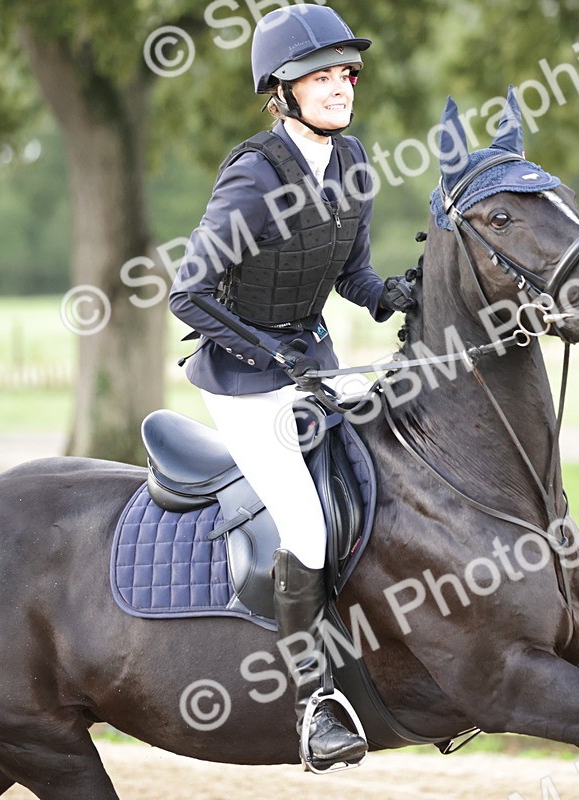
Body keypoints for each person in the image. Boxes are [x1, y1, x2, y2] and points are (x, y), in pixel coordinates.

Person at [168, 5, 414, 771]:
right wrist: (272, 355)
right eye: (323, 74)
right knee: (305, 528)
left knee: (380, 480)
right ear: (283, 89)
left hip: (313, 365)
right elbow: (188, 293)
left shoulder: (354, 164)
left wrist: (399, 295)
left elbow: (352, 277)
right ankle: (314, 705)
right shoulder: (254, 174)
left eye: (348, 72)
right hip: (245, 383)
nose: (342, 86)